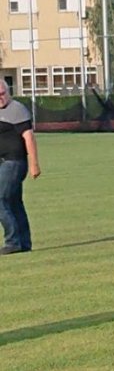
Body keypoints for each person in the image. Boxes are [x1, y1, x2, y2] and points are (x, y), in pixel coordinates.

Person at [0, 81, 41, 255]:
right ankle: (24, 243)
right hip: (3, 162)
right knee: (14, 203)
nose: (0, 98)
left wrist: (34, 164)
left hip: (14, 162)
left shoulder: (17, 109)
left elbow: (29, 138)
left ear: (8, 92)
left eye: (2, 93)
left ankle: (13, 241)